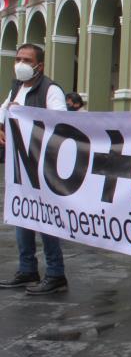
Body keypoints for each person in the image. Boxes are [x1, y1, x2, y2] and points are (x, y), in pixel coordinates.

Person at [0, 44, 69, 295]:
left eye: (26, 60)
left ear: (39, 65)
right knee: (22, 215)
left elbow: (61, 123)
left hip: (43, 167)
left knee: (45, 218)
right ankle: (27, 269)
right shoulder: (16, 88)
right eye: (17, 58)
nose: (20, 63)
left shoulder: (51, 91)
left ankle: (55, 273)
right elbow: (4, 111)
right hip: (21, 166)